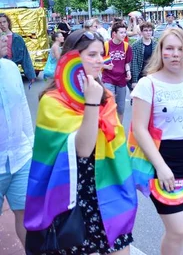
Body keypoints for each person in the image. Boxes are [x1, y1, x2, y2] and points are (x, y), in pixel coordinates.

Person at [24, 30, 137, 254]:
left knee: (121, 247)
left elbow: (118, 145)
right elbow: (83, 149)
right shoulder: (53, 101)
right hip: (71, 194)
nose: (99, 61)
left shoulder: (105, 95)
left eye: (101, 54)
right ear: (73, 58)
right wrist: (92, 104)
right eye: (92, 55)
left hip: (106, 187)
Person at [131, 28, 183, 254]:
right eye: (170, 49)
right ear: (161, 52)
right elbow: (139, 128)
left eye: (180, 49)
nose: (175, 54)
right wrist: (161, 166)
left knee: (181, 228)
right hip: (161, 158)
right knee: (179, 228)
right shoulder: (148, 84)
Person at [0, 34, 33, 248]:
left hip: (21, 157)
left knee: (26, 214)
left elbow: (22, 105)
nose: (5, 38)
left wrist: (31, 144)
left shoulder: (10, 68)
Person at [102, 23, 132, 122]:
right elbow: (98, 62)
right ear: (114, 33)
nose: (124, 35)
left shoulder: (127, 46)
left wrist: (128, 72)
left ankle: (120, 130)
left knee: (121, 108)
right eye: (121, 32)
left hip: (121, 80)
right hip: (108, 79)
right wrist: (106, 66)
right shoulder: (106, 45)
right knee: (110, 106)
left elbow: (126, 62)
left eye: (125, 32)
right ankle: (110, 129)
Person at [0, 13, 36, 83]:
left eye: (4, 22)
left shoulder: (17, 38)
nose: (2, 24)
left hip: (13, 71)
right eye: (0, 23)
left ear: (8, 23)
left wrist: (31, 75)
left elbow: (25, 58)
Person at [131, 21, 156, 89]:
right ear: (141, 32)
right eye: (146, 30)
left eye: (150, 30)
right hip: (140, 74)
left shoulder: (156, 44)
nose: (148, 32)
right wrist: (134, 80)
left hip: (152, 74)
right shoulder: (136, 45)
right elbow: (134, 63)